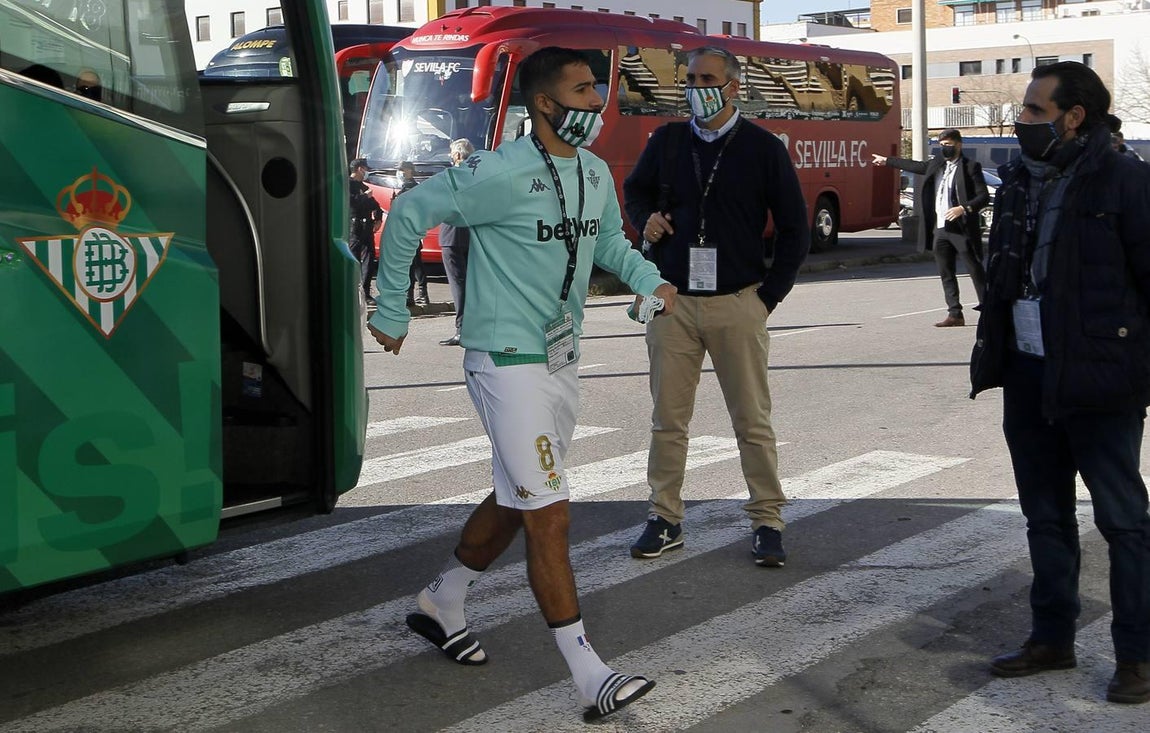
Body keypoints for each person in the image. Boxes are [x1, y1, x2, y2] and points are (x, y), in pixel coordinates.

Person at [366, 46, 677, 722]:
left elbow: (609, 246)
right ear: (544, 102)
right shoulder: (496, 171)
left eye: (598, 90)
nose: (597, 103)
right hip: (505, 360)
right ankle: (590, 674)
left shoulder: (593, 172)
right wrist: (392, 306)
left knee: (519, 496)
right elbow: (411, 211)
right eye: (584, 91)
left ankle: (441, 601)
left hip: (561, 360)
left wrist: (648, 279)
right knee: (549, 512)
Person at [969, 61, 1150, 705]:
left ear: (1075, 117)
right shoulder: (1019, 179)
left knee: (1123, 522)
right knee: (1044, 515)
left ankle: (1138, 655)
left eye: (1036, 112)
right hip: (1028, 371)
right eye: (1024, 110)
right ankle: (1052, 637)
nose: (1022, 122)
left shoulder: (1126, 180)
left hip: (1101, 381)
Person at [621, 46, 809, 568]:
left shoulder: (763, 148)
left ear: (732, 85)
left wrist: (766, 299)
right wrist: (647, 220)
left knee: (751, 421)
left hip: (738, 302)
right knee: (667, 421)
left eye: (707, 77)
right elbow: (634, 192)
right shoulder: (668, 140)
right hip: (672, 303)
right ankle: (665, 518)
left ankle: (768, 520)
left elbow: (795, 230)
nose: (696, 86)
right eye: (690, 78)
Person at [873, 129, 989, 327]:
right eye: (942, 145)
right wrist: (888, 161)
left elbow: (983, 196)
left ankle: (988, 309)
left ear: (959, 145)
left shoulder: (971, 167)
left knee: (974, 269)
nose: (945, 149)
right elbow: (916, 166)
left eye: (948, 145)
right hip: (941, 228)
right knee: (946, 272)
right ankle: (955, 313)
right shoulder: (937, 164)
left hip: (961, 228)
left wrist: (963, 208)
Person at [438, 138, 476, 346]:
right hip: (473, 234)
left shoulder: (450, 176)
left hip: (452, 235)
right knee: (473, 283)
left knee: (458, 284)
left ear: (458, 155)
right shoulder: (478, 175)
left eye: (452, 154)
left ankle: (462, 330)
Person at [393, 161, 430, 307]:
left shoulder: (411, 188)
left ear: (409, 171)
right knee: (416, 263)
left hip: (409, 230)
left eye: (402, 170)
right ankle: (421, 294)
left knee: (412, 264)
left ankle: (412, 296)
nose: (400, 173)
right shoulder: (408, 187)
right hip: (410, 230)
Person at [348, 158, 383, 304]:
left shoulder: (362, 185)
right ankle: (351, 292)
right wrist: (365, 196)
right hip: (354, 228)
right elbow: (352, 203)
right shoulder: (347, 185)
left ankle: (365, 293)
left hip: (366, 227)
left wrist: (378, 218)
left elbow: (375, 204)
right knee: (353, 260)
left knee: (369, 260)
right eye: (365, 169)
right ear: (359, 169)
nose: (366, 172)